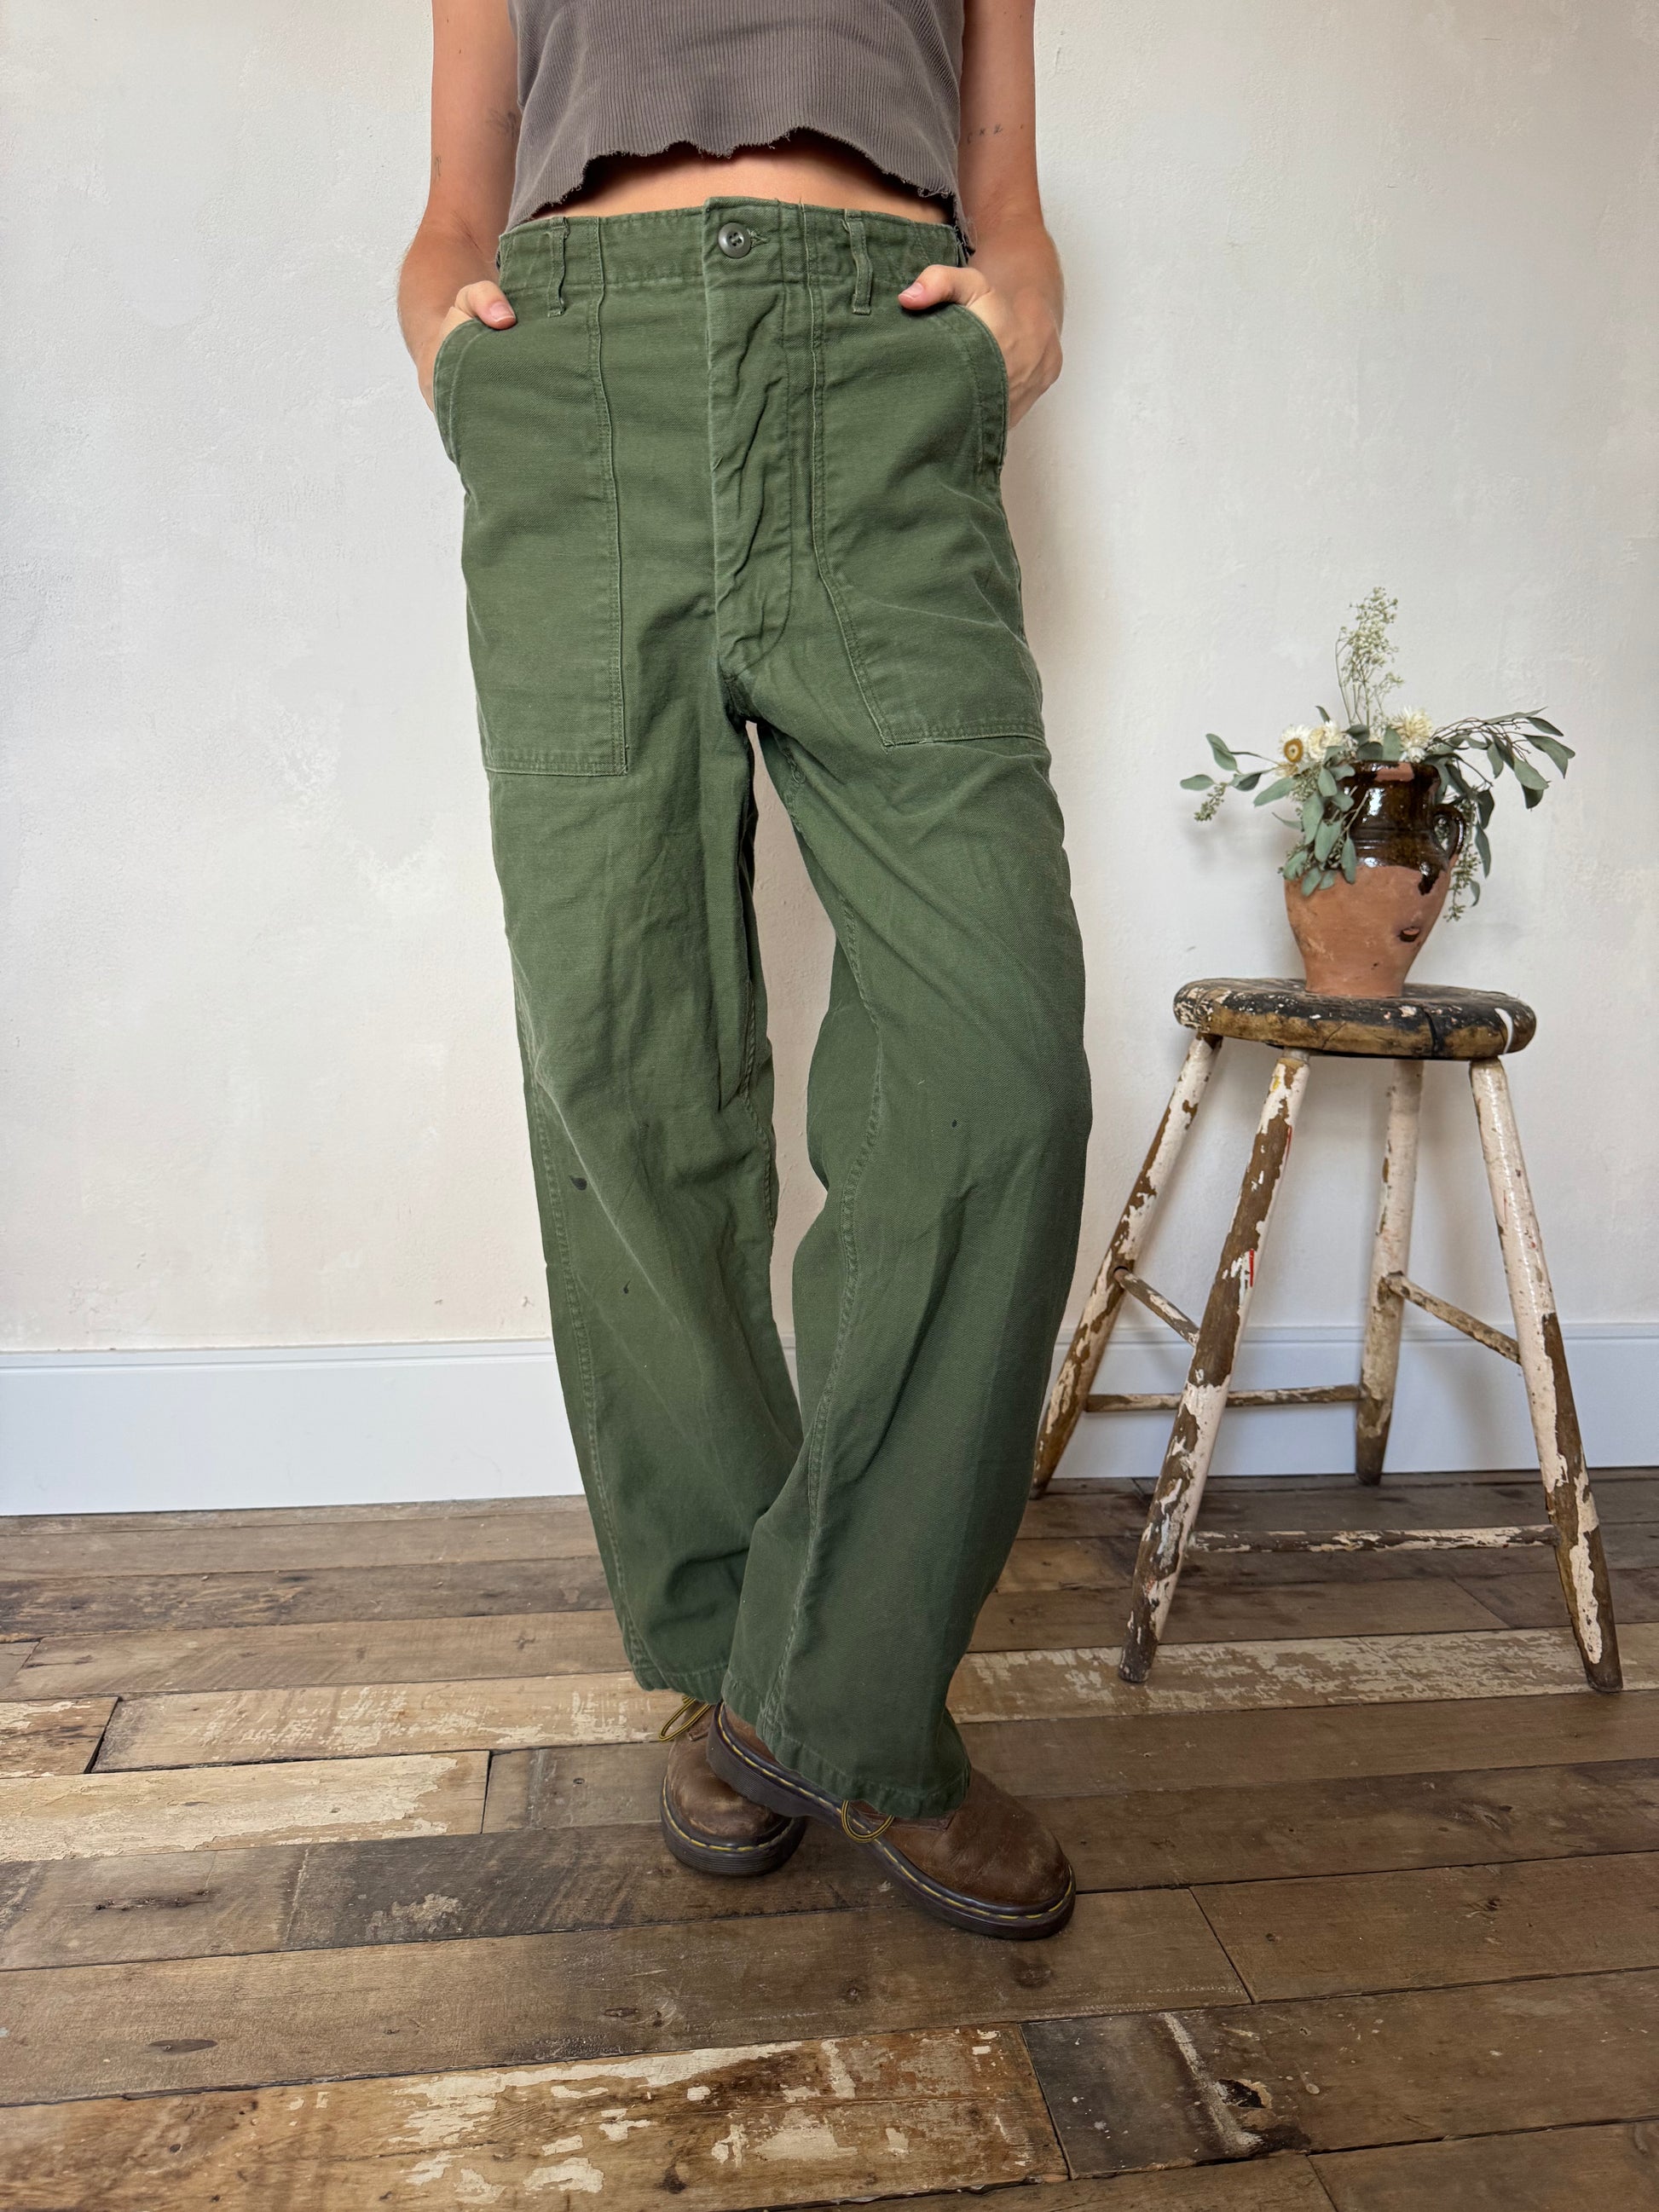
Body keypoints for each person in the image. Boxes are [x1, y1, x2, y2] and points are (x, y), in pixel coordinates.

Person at [400, 0, 1091, 1940]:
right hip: (577, 393)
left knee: (999, 1068)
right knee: (622, 1056)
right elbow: (451, 203)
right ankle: (729, 1663)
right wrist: (453, 347)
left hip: (874, 377)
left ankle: (826, 1691)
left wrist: (1011, 318)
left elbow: (1011, 199)